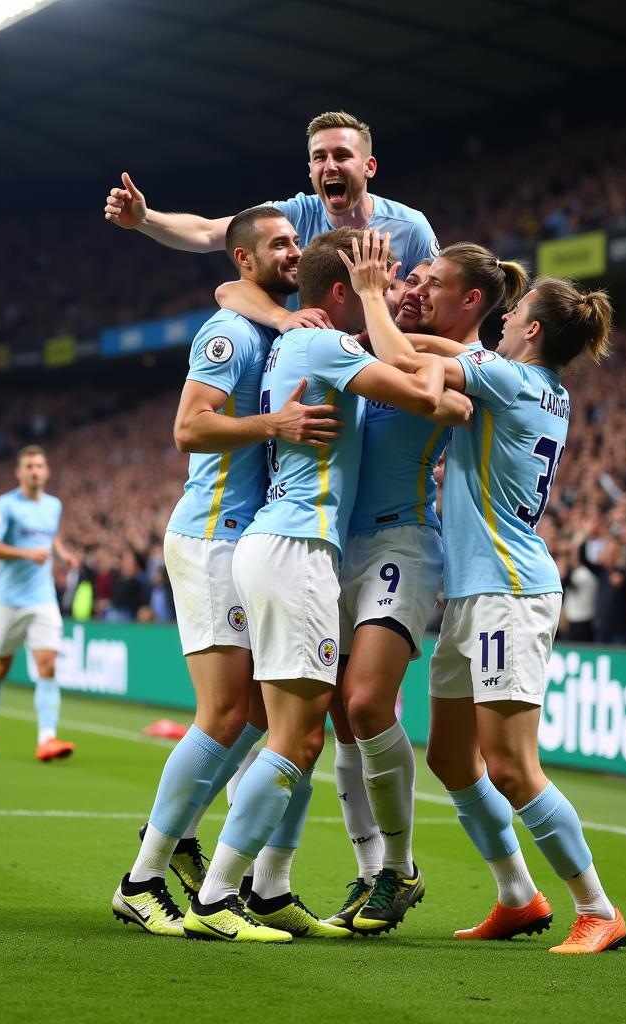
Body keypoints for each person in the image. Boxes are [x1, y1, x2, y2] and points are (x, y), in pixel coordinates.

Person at [349, 232, 626, 954]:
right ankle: (516, 894)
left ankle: (597, 907)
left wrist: (375, 296)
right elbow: (436, 353)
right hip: (474, 595)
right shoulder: (538, 387)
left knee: (510, 765)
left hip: (509, 590)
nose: (501, 320)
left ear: (531, 330)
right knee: (450, 756)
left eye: (514, 315)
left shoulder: (512, 379)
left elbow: (410, 358)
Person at [183, 228, 445, 943]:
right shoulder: (329, 344)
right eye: (380, 281)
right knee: (295, 740)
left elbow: (231, 285)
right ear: (342, 290)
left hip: (279, 543)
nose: (390, 292)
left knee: (289, 725)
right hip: (298, 547)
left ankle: (256, 886)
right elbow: (425, 393)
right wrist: (426, 351)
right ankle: (215, 896)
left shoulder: (296, 341)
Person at [113, 207, 346, 940]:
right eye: (278, 243)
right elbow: (189, 427)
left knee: (260, 715)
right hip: (212, 536)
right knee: (225, 713)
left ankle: (225, 864)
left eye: (295, 241)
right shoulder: (232, 334)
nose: (292, 249)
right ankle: (143, 878)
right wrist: (272, 427)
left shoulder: (278, 329)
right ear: (244, 260)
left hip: (247, 540)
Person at [104, 109, 439, 330]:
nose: (330, 166)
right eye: (319, 158)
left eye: (342, 156)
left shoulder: (410, 228)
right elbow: (208, 233)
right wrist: (146, 219)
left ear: (369, 166)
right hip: (309, 362)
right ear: (309, 170)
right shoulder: (291, 216)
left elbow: (436, 307)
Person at [0, 446, 79, 762]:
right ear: (18, 472)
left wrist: (61, 553)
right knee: (0, 668)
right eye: (29, 466)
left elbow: (50, 536)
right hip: (8, 600)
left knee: (47, 665)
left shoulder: (53, 506)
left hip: (43, 599)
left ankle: (47, 738)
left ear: (47, 472)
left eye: (40, 465)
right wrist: (26, 554)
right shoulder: (6, 505)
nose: (35, 471)